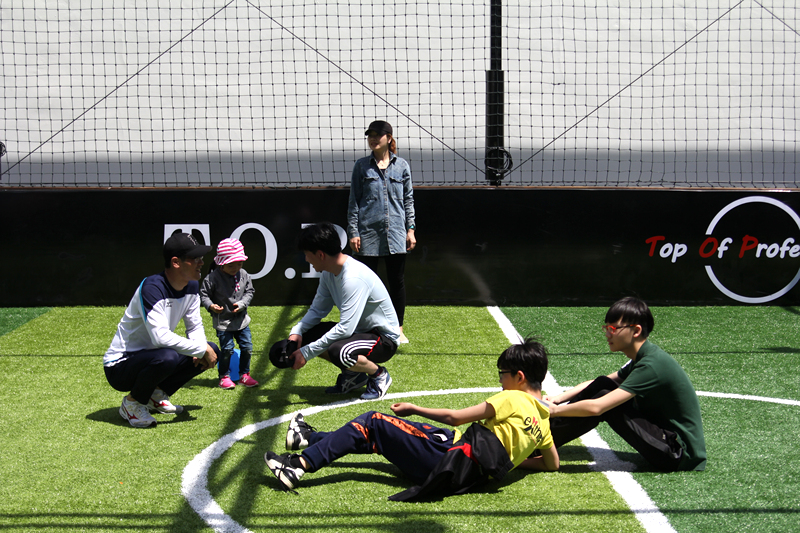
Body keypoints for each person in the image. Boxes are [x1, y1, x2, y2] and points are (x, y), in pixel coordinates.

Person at [263, 338, 559, 500]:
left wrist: (414, 408)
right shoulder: (543, 423)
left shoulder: (513, 398)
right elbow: (551, 464)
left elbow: (455, 417)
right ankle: (308, 438)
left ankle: (299, 465)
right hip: (463, 470)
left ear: (520, 377)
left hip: (445, 461)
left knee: (373, 421)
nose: (500, 381)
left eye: (503, 375)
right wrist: (515, 460)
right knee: (380, 434)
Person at [546, 297, 707, 471]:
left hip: (678, 452)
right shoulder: (644, 357)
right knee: (603, 384)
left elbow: (597, 407)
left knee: (606, 399)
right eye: (606, 328)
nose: (607, 334)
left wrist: (554, 411)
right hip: (666, 439)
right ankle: (545, 434)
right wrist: (557, 399)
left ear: (636, 330)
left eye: (613, 329)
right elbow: (597, 383)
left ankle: (541, 443)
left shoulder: (651, 366)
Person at [104, 233, 220, 428]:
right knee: (169, 356)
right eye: (195, 258)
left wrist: (201, 348)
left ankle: (155, 395)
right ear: (176, 262)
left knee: (211, 348)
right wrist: (200, 349)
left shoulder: (191, 285)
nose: (201, 262)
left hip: (154, 356)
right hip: (120, 366)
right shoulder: (152, 288)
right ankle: (131, 404)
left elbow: (194, 325)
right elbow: (160, 338)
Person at [280, 222, 400, 400]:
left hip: (383, 339)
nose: (306, 259)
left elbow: (345, 329)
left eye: (307, 254)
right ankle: (354, 376)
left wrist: (306, 353)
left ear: (320, 255)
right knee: (308, 335)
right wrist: (297, 331)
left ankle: (378, 375)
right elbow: (317, 310)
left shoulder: (353, 278)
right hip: (360, 333)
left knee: (341, 352)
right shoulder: (328, 272)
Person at [347, 120, 415, 344]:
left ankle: (398, 329)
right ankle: (366, 328)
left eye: (378, 135)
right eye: (370, 135)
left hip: (396, 234)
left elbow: (408, 200)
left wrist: (410, 229)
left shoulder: (402, 166)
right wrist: (354, 231)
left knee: (397, 282)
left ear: (389, 138)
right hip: (367, 234)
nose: (373, 139)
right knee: (364, 284)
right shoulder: (361, 166)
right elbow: (354, 202)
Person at [200, 237, 258, 390]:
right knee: (227, 350)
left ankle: (244, 375)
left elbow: (249, 291)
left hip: (241, 321)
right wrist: (211, 306)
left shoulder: (243, 274)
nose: (236, 268)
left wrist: (242, 304)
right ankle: (224, 376)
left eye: (239, 264)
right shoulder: (212, 278)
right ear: (221, 263)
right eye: (231, 265)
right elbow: (204, 295)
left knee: (247, 347)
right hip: (223, 323)